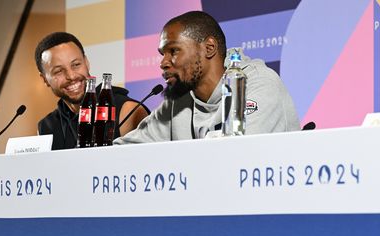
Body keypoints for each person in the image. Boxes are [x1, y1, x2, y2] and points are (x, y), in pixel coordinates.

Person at [114, 11, 300, 144]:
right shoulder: (178, 100)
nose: (163, 63)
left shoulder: (258, 84)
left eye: (174, 51)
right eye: (162, 53)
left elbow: (238, 154)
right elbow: (126, 152)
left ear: (209, 48)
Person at [35, 32, 149, 150]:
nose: (71, 76)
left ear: (87, 62)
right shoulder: (46, 127)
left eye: (76, 64)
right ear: (44, 79)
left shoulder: (128, 110)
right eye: (58, 71)